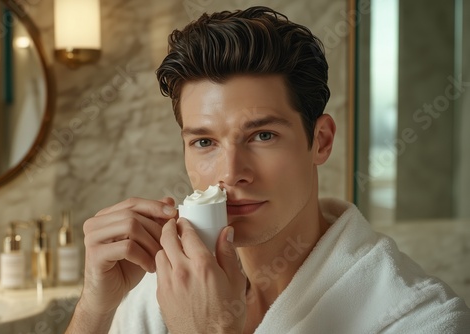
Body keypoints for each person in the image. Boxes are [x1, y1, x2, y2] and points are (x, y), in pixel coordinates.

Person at [66, 6, 470, 334]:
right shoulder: (171, 279)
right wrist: (95, 310)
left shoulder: (421, 319)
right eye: (204, 142)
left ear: (321, 141)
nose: (230, 172)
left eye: (262, 136)